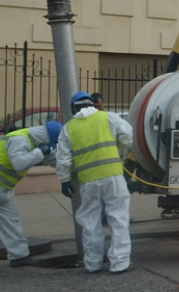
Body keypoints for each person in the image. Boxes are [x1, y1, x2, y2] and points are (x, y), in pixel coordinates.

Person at [56, 91, 134, 274]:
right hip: (113, 177)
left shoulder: (69, 127)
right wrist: (118, 145)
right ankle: (120, 263)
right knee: (118, 219)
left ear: (74, 108)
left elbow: (63, 159)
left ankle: (92, 263)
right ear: (92, 104)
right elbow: (127, 137)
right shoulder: (109, 118)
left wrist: (64, 180)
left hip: (88, 181)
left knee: (90, 222)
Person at [0, 121, 63, 267]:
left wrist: (72, 172)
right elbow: (19, 164)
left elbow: (54, 160)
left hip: (1, 188)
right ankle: (19, 256)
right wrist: (39, 152)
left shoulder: (37, 143)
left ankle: (19, 257)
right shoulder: (19, 140)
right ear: (45, 136)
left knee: (11, 223)